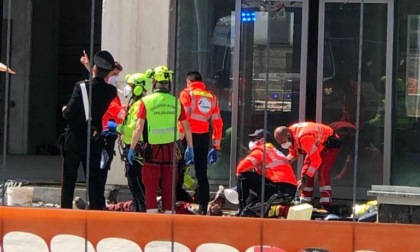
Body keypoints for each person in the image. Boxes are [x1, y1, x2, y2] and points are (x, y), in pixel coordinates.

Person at [128, 65, 194, 214]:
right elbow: (187, 127)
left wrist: (131, 149)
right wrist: (190, 147)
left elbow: (138, 128)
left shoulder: (146, 102)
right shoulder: (176, 102)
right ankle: (169, 216)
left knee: (150, 187)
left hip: (152, 152)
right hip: (171, 151)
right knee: (169, 187)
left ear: (153, 82)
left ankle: (152, 217)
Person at [61, 50, 117, 210]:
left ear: (94, 69)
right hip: (94, 139)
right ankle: (96, 211)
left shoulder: (80, 87)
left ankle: (65, 210)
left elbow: (68, 113)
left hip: (74, 139)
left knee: (69, 178)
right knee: (94, 179)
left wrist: (64, 109)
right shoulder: (110, 91)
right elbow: (99, 84)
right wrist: (90, 68)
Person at [178, 71, 223, 215]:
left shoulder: (186, 93)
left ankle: (176, 202)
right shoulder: (212, 97)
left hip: (188, 136)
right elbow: (217, 122)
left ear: (189, 81)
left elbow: (182, 118)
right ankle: (203, 205)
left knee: (179, 169)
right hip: (203, 137)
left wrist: (180, 139)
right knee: (201, 173)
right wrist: (216, 146)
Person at [106, 72, 152, 212]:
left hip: (136, 147)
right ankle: (138, 207)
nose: (127, 88)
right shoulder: (134, 103)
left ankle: (141, 209)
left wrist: (117, 128)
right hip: (132, 145)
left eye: (130, 86)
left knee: (136, 181)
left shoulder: (139, 105)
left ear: (138, 88)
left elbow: (133, 128)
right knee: (132, 180)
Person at [274, 122, 340, 210]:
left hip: (329, 145)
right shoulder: (290, 135)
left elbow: (316, 160)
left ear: (288, 135)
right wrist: (283, 165)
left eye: (284, 142)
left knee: (322, 172)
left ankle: (326, 203)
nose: (283, 145)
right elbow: (293, 154)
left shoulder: (304, 137)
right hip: (318, 144)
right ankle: (305, 200)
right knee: (305, 171)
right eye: (281, 143)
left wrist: (305, 180)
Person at [236, 129, 297, 217]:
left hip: (279, 188)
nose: (252, 142)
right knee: (251, 200)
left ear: (262, 140)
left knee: (243, 177)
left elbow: (241, 167)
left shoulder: (262, 149)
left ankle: (242, 211)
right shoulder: (273, 151)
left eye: (255, 139)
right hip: (287, 190)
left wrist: (238, 181)